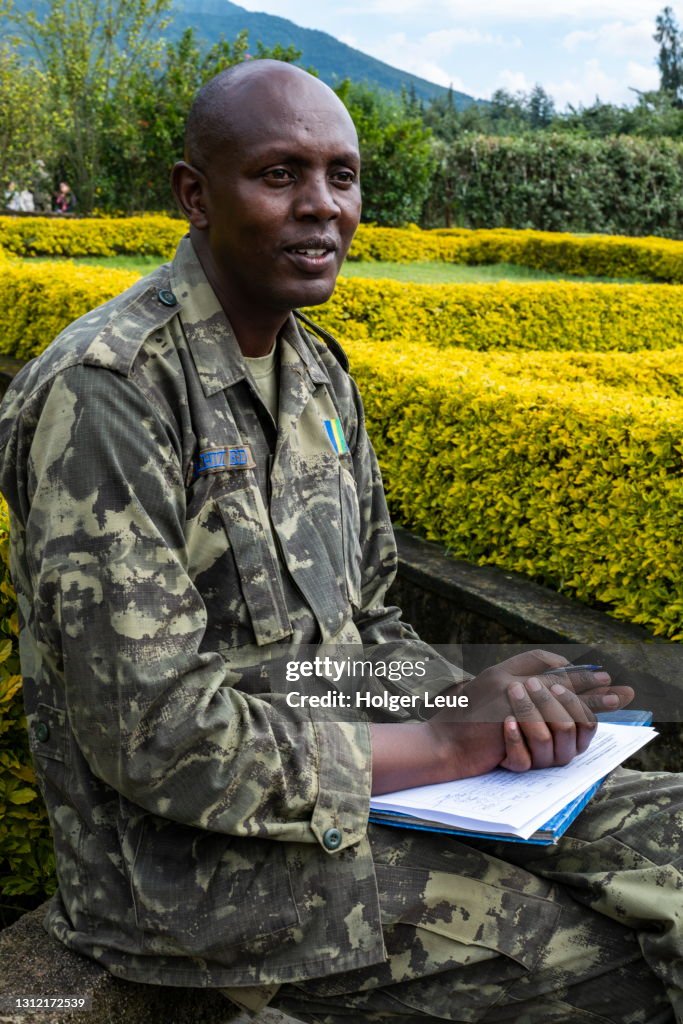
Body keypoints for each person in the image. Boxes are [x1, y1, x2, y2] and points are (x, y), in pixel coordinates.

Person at [0, 60, 680, 1024]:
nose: (323, 208)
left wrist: (475, 701)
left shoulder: (315, 370)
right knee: (606, 963)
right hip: (192, 878)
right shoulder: (111, 395)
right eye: (279, 175)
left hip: (369, 792)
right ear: (194, 194)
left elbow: (360, 627)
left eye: (342, 177)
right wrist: (443, 742)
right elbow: (151, 736)